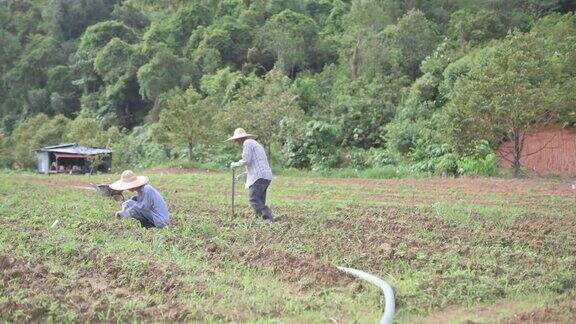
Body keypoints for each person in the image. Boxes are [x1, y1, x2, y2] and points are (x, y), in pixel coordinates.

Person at [227, 128, 274, 222]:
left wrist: (235, 164)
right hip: (265, 176)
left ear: (240, 139)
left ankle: (267, 215)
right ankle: (260, 219)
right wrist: (240, 176)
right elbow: (253, 166)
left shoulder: (247, 143)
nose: (236, 142)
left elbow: (246, 160)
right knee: (260, 199)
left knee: (253, 200)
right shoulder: (254, 144)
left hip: (259, 176)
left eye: (236, 140)